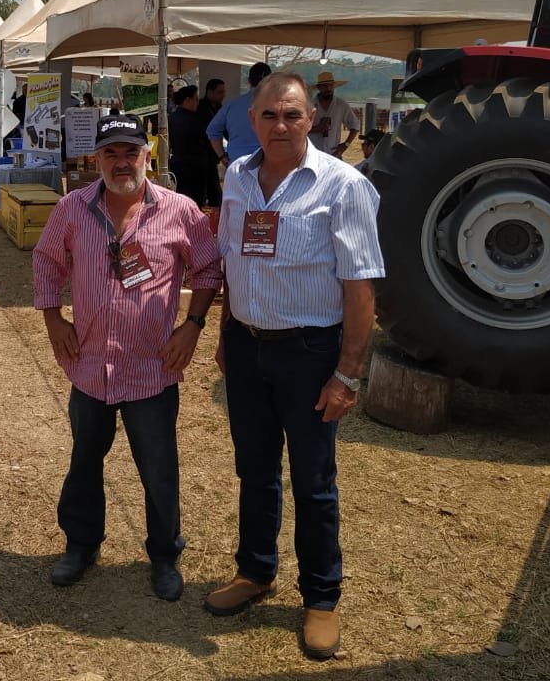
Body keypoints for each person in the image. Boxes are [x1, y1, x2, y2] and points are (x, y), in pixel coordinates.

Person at [205, 72, 384, 661]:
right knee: (254, 469)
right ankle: (255, 571)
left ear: (312, 120)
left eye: (292, 116)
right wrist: (229, 330)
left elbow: (359, 290)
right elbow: (234, 258)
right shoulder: (236, 175)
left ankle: (321, 597)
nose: (280, 127)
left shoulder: (344, 185)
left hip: (311, 354)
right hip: (249, 347)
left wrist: (348, 373)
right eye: (269, 116)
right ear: (250, 119)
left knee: (313, 482)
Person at [32, 114, 222, 602]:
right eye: (110, 153)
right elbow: (47, 261)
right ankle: (80, 544)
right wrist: (54, 319)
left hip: (152, 367)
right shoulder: (73, 209)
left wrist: (192, 326)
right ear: (95, 159)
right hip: (91, 364)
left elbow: (207, 269)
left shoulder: (179, 211)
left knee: (158, 467)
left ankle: (164, 555)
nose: (122, 163)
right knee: (84, 459)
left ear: (148, 155)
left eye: (130, 152)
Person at [207, 62, 271, 169]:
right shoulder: (279, 105)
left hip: (237, 165)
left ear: (249, 81)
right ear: (270, 81)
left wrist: (222, 156)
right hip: (268, 165)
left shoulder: (232, 105)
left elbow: (212, 130)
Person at [168, 85, 209, 206]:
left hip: (177, 165)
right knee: (196, 204)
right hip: (196, 168)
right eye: (195, 99)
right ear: (187, 100)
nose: (198, 103)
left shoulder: (171, 118)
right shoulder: (197, 119)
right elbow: (206, 139)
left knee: (179, 202)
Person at [308, 71, 359, 158]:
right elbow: (299, 128)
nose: (328, 89)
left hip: (333, 153)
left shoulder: (341, 104)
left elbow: (355, 125)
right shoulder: (309, 104)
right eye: (325, 86)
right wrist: (316, 128)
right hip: (312, 153)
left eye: (331, 85)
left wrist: (346, 144)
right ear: (319, 87)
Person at [197, 78, 226, 207]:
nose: (223, 95)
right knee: (209, 193)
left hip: (213, 157)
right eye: (220, 92)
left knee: (215, 194)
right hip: (200, 156)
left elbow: (225, 129)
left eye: (223, 92)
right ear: (209, 92)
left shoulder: (220, 108)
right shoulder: (199, 107)